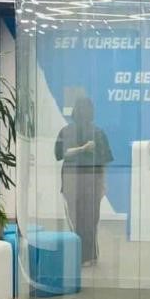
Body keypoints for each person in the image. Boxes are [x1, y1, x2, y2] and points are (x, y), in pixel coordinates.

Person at [55, 95, 112, 266]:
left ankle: (82, 255)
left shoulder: (66, 131)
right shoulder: (98, 132)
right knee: (91, 219)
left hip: (73, 179)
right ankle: (89, 255)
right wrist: (103, 184)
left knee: (76, 218)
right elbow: (104, 162)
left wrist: (102, 183)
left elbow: (61, 154)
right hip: (90, 179)